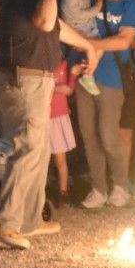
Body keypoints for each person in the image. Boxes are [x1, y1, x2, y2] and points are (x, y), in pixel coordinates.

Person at [0, 0, 100, 250]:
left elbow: (57, 27)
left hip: (36, 79)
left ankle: (30, 219)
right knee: (29, 145)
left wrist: (89, 46)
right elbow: (47, 22)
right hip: (22, 78)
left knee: (40, 146)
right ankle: (5, 222)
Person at [74, 0, 135, 209]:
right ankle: (98, 188)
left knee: (108, 134)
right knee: (89, 135)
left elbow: (124, 41)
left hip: (112, 76)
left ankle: (121, 185)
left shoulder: (130, 3)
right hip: (85, 74)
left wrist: (91, 45)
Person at [50, 57, 78, 201]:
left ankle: (63, 191)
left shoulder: (64, 64)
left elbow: (68, 89)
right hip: (44, 116)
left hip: (58, 116)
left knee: (60, 158)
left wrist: (73, 74)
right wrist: (55, 88)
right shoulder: (42, 64)